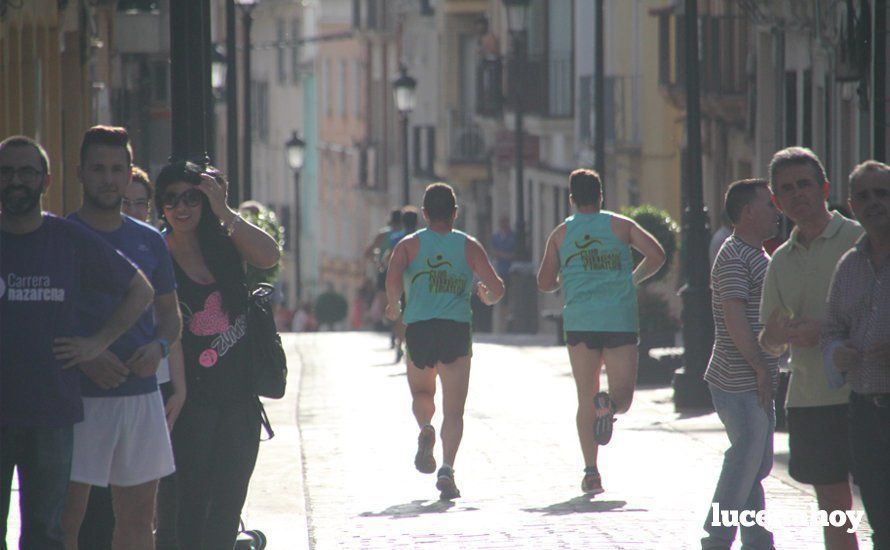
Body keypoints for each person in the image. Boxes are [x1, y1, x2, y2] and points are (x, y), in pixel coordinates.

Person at [0, 135, 153, 549]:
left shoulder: (66, 238)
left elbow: (140, 290)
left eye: (27, 172)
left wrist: (97, 343)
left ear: (45, 182)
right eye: (7, 172)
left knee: (47, 534)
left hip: (52, 411)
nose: (16, 181)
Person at [59, 126, 184, 550]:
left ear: (130, 174)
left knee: (138, 519)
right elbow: (45, 321)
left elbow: (171, 317)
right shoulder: (59, 237)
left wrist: (160, 347)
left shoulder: (150, 240)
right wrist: (86, 355)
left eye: (117, 169)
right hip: (77, 398)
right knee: (66, 521)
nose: (108, 179)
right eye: (98, 169)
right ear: (79, 173)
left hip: (140, 395)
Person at [154, 161, 280, 548]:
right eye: (171, 198)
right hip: (191, 404)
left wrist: (225, 211)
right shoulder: (157, 251)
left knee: (227, 508)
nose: (181, 206)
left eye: (191, 196)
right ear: (161, 205)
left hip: (239, 402)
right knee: (189, 509)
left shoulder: (224, 243)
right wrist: (181, 390)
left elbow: (269, 256)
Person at [758, 147, 862, 550]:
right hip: (809, 401)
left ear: (824, 188)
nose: (797, 194)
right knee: (833, 509)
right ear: (776, 200)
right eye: (786, 189)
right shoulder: (780, 259)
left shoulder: (859, 239)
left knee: (878, 502)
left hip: (865, 394)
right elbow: (768, 339)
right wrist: (779, 333)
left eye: (804, 184)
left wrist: (826, 331)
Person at [536, 168, 665, 496]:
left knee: (584, 396)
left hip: (580, 321)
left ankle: (591, 472)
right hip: (619, 319)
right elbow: (657, 255)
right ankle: (609, 404)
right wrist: (632, 278)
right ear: (601, 196)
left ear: (571, 199)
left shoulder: (561, 235)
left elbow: (544, 282)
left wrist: (565, 279)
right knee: (622, 395)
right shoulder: (621, 225)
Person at [385, 183, 504, 500]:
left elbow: (393, 276)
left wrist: (394, 303)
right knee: (454, 410)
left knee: (422, 392)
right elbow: (498, 288)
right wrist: (486, 295)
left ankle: (425, 427)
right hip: (455, 329)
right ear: (455, 213)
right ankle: (447, 469)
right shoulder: (469, 246)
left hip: (420, 329)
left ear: (424, 213)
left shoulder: (408, 246)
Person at [702, 178, 781, 550]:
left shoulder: (757, 254)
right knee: (747, 453)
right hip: (737, 379)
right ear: (748, 211)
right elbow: (734, 320)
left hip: (757, 377)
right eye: (769, 204)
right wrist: (760, 367)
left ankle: (756, 537)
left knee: (757, 463)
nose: (776, 210)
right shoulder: (734, 254)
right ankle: (717, 536)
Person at [822, 160, 890, 550]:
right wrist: (837, 352)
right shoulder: (849, 265)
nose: (874, 202)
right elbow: (831, 328)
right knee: (879, 518)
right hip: (865, 411)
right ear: (851, 203)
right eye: (864, 196)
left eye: (882, 193)